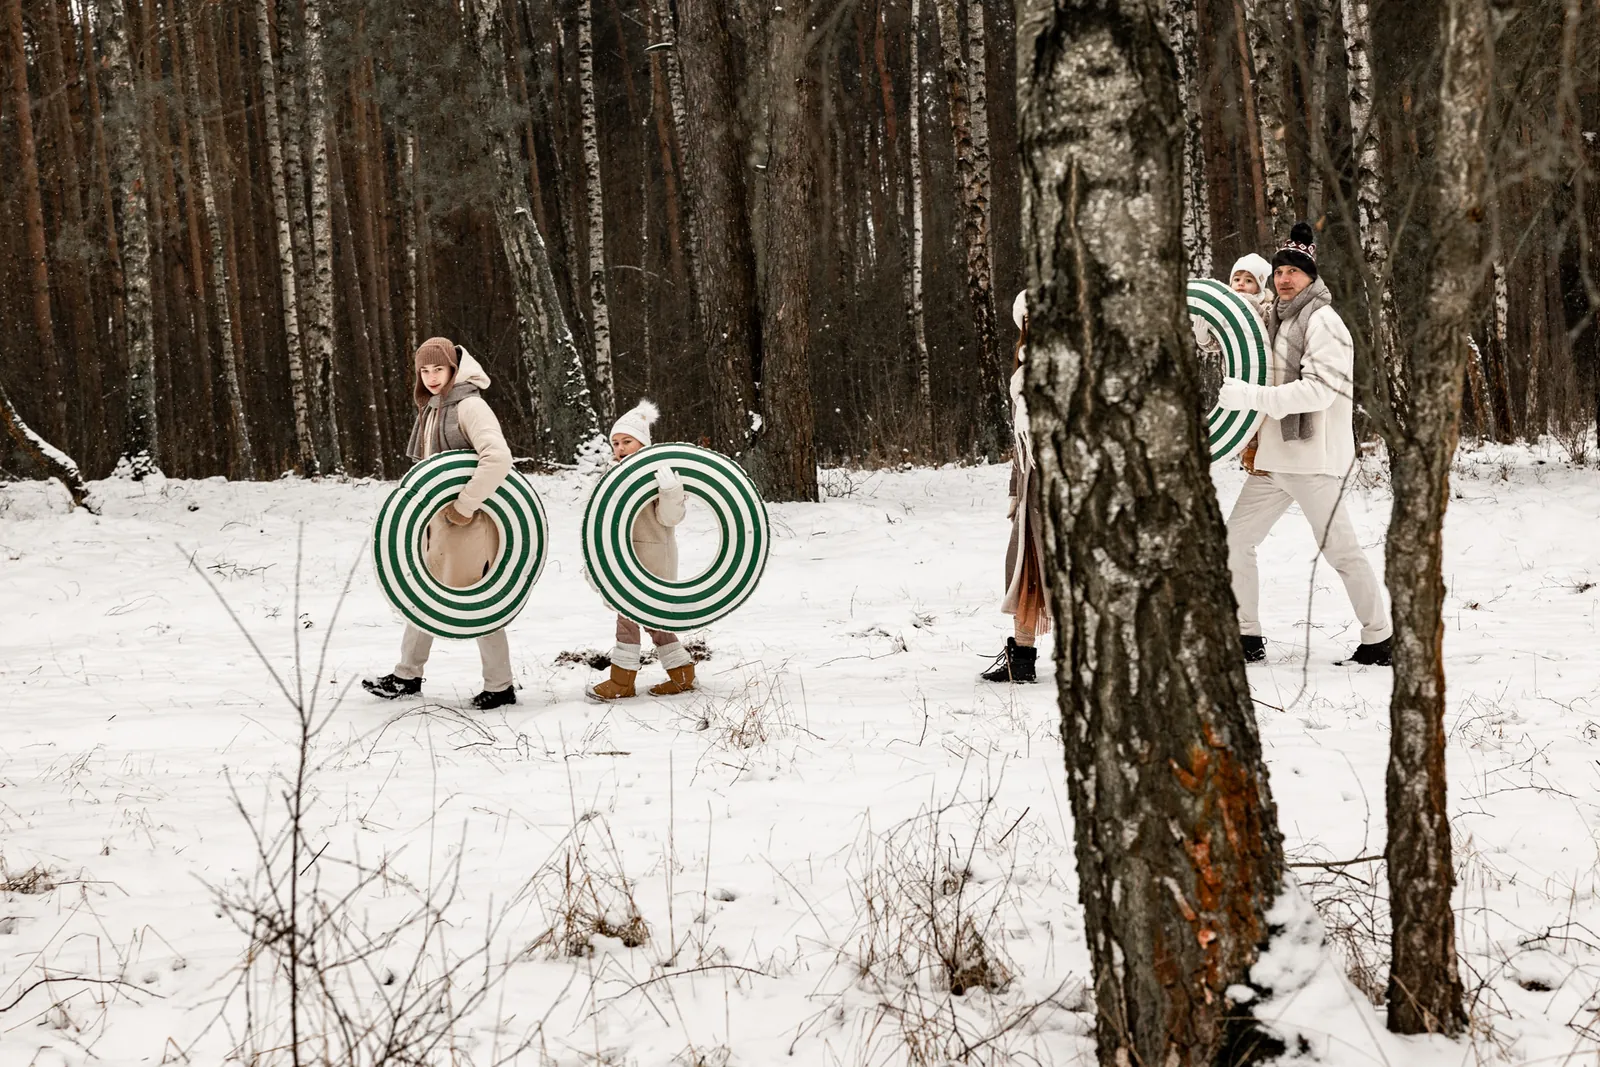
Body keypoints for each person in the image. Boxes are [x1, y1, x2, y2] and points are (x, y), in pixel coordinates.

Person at [1216, 223, 1393, 666]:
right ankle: (1246, 636)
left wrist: (1251, 398)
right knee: (1235, 540)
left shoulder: (1323, 322)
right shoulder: (1275, 320)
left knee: (1342, 552)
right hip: (1275, 462)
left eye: (1295, 271)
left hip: (1314, 461)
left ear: (1312, 276)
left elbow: (1319, 391)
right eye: (1279, 271)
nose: (1284, 278)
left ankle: (1381, 639)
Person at [364, 337, 518, 709]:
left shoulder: (469, 406)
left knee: (480, 603)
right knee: (422, 596)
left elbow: (498, 458)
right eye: (425, 370)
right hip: (440, 523)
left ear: (454, 369)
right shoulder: (435, 407)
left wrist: (466, 504)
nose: (431, 377)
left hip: (471, 522)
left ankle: (500, 685)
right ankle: (407, 675)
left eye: (439, 369)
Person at [587, 400, 698, 701]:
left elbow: (669, 518)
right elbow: (601, 522)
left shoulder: (658, 476)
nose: (620, 447)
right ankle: (682, 673)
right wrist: (596, 561)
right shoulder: (611, 476)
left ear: (643, 444)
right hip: (621, 558)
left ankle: (622, 680)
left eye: (627, 441)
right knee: (651, 620)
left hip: (651, 559)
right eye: (615, 442)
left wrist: (671, 492)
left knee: (629, 617)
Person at [981, 290, 1050, 684]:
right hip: (1031, 492)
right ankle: (1021, 658)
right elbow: (1019, 444)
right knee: (1025, 572)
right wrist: (1014, 490)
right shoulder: (1022, 378)